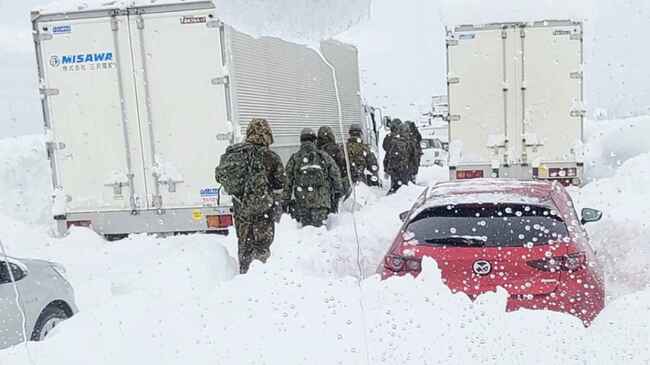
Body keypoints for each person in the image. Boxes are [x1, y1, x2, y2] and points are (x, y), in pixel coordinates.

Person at [214, 118, 287, 274]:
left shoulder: (235, 153)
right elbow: (280, 183)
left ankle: (244, 274)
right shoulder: (271, 157)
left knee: (244, 244)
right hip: (263, 211)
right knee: (262, 245)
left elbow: (220, 176)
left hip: (241, 210)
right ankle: (261, 276)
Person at [284, 128, 343, 227]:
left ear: (301, 141)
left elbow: (287, 182)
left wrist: (286, 200)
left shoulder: (295, 158)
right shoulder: (324, 156)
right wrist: (337, 192)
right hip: (321, 202)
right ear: (314, 140)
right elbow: (335, 175)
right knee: (320, 233)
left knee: (307, 232)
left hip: (302, 202)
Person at [317, 126, 349, 212]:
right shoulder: (336, 149)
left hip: (321, 186)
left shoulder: (317, 150)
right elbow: (342, 166)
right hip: (334, 184)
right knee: (335, 209)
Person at [384, 123, 417, 194]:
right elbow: (414, 157)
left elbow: (387, 156)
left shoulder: (393, 141)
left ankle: (391, 198)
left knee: (395, 186)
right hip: (405, 169)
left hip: (394, 169)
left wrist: (386, 169)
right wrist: (414, 171)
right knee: (404, 189)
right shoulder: (410, 142)